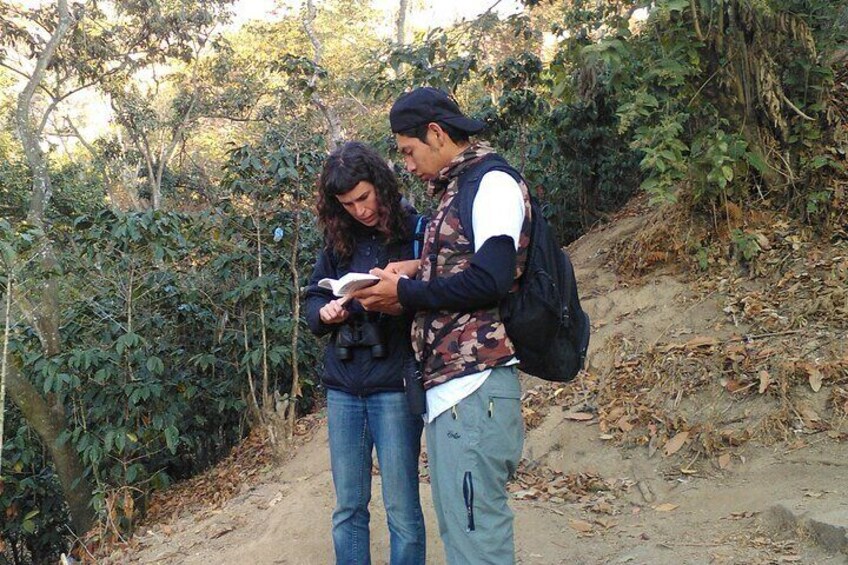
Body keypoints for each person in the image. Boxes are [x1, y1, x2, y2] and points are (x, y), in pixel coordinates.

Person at [354, 87, 531, 564]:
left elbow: (491, 277)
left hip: (473, 390)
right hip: (453, 393)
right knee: (462, 535)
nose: (407, 165)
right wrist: (411, 272)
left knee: (477, 540)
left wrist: (406, 294)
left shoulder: (490, 183)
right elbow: (465, 267)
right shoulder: (457, 190)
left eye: (408, 152)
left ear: (436, 133)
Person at [304, 141, 426, 565]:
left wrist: (396, 297)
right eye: (347, 203)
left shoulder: (413, 228)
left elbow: (437, 295)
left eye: (363, 197)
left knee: (402, 510)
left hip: (394, 382)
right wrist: (327, 311)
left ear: (379, 184)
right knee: (349, 508)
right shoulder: (338, 238)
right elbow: (311, 301)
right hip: (343, 385)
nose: (359, 210)